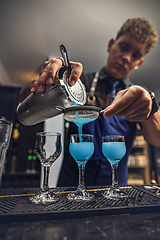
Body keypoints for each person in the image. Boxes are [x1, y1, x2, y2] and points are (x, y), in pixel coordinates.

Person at [19, 18, 160, 187]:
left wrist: (151, 106)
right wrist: (49, 84)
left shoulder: (137, 97)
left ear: (140, 63)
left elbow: (157, 139)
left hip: (115, 186)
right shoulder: (78, 83)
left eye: (136, 55)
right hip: (71, 185)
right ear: (111, 45)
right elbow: (23, 98)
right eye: (124, 47)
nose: (126, 58)